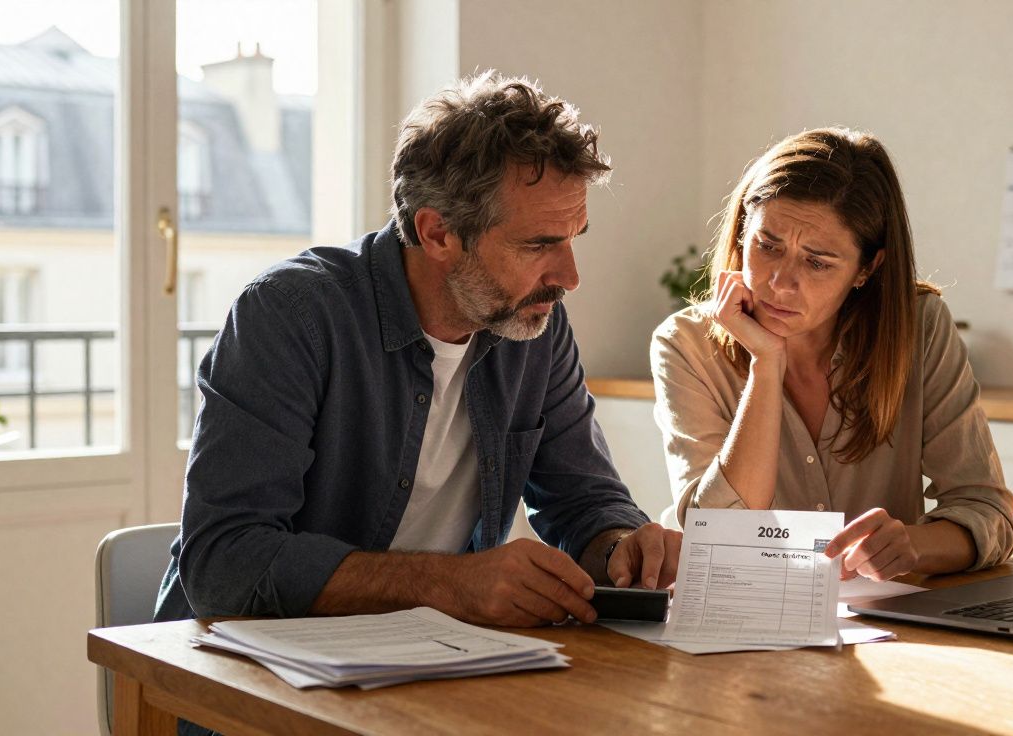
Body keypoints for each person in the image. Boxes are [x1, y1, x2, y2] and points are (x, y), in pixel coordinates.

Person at [156, 72, 681, 633]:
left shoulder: (534, 326)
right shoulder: (291, 316)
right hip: (242, 672)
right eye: (539, 244)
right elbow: (225, 564)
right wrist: (449, 585)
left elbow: (583, 502)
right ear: (436, 234)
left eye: (574, 237)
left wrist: (621, 547)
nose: (570, 277)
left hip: (428, 660)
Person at [650, 128, 1013, 582]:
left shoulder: (919, 326)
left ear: (867, 268)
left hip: (889, 631)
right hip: (743, 619)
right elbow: (718, 534)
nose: (781, 281)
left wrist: (913, 547)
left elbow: (987, 511)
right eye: (768, 245)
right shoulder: (686, 343)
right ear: (743, 233)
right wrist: (766, 365)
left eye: (817, 262)